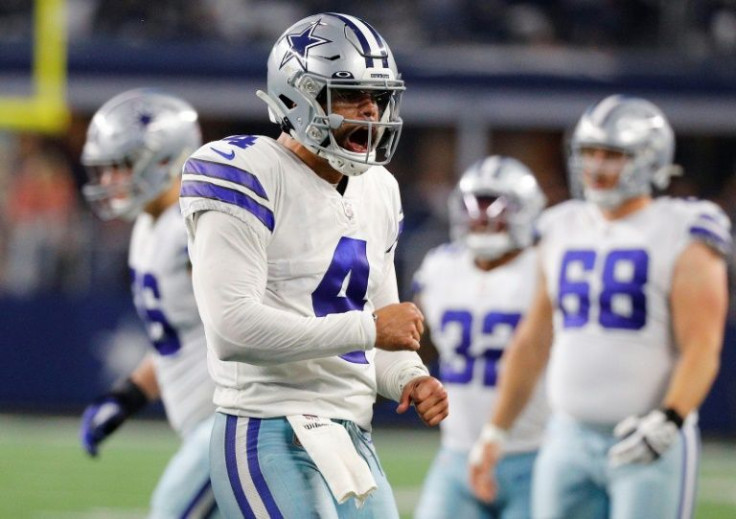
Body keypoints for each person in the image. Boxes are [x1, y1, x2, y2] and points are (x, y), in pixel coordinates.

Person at [178, 12, 449, 519]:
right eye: (350, 96)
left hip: (350, 434)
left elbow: (379, 338)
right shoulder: (247, 172)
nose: (370, 112)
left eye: (377, 96)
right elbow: (233, 329)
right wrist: (370, 328)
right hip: (264, 425)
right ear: (295, 97)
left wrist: (409, 376)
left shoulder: (380, 188)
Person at [469, 94, 732, 519]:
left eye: (612, 154)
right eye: (589, 151)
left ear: (650, 160)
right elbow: (533, 341)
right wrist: (495, 431)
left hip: (647, 438)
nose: (595, 165)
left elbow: (702, 347)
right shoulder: (561, 225)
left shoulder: (684, 229)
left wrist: (669, 419)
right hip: (567, 436)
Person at [78, 88, 219, 518]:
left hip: (237, 418)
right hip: (209, 423)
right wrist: (126, 397)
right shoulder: (149, 228)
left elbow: (244, 321)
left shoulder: (194, 229)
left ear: (163, 160)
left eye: (119, 167)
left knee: (170, 510)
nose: (108, 182)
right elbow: (174, 337)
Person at [413, 156, 549, 519]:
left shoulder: (546, 266)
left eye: (496, 204)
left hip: (536, 453)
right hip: (456, 453)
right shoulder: (441, 266)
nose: (484, 215)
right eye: (476, 204)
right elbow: (416, 347)